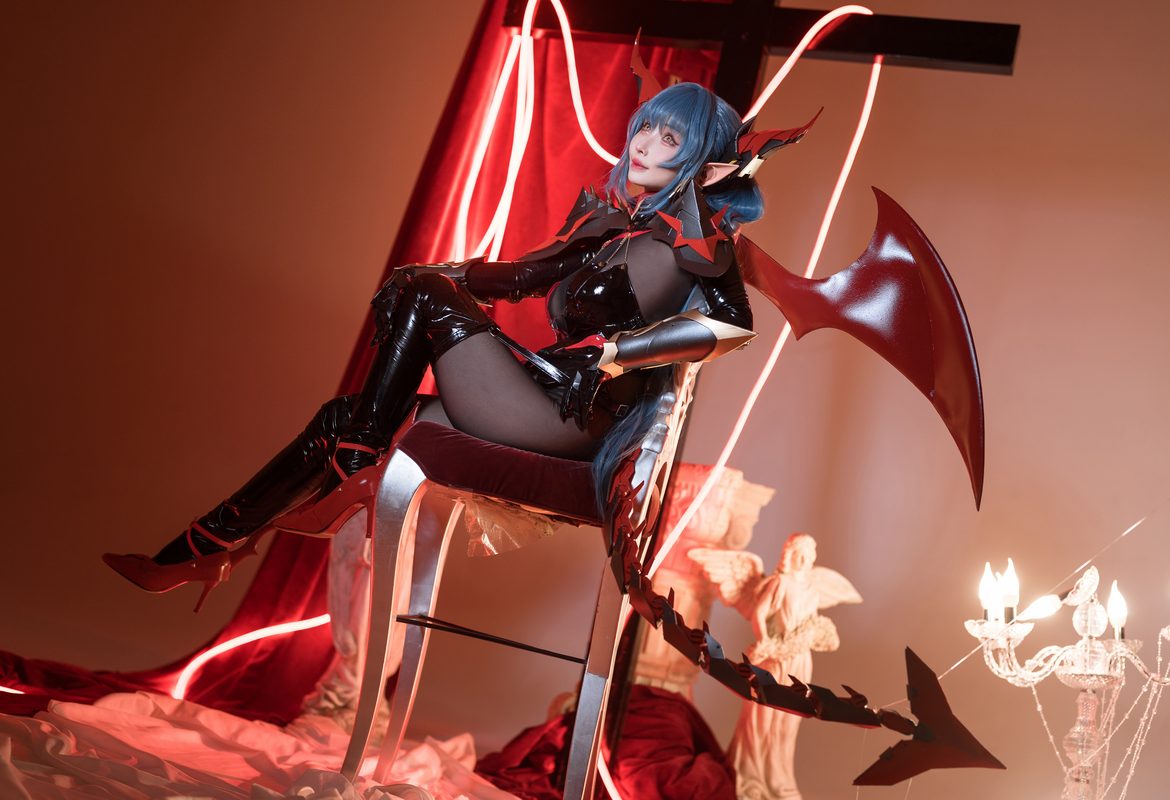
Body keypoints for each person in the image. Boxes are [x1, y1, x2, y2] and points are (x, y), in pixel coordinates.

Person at [103, 82, 766, 607]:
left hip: (576, 419)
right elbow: (516, 278)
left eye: (669, 137)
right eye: (645, 126)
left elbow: (735, 323)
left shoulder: (697, 237)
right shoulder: (617, 228)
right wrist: (428, 272)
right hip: (540, 394)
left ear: (702, 159)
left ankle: (358, 459)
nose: (644, 144)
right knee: (343, 413)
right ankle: (202, 550)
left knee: (410, 325)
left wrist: (618, 354)